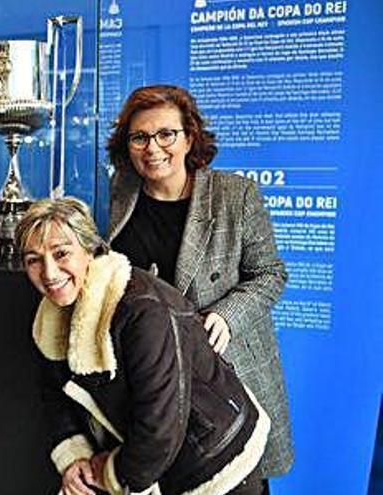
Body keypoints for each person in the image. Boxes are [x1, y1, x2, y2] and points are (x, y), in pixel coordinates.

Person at [106, 85, 293, 490]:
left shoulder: (235, 194)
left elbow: (271, 274)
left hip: (223, 375)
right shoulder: (118, 194)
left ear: (189, 138)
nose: (152, 147)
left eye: (166, 134)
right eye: (139, 137)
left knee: (236, 479)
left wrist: (227, 315)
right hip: (154, 378)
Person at [15, 197, 270, 495]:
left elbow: (160, 425)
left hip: (215, 463)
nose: (48, 272)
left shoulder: (143, 310)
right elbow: (55, 395)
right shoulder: (53, 315)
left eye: (61, 254)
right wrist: (76, 461)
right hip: (148, 460)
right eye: (33, 259)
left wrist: (109, 476)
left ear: (91, 249)